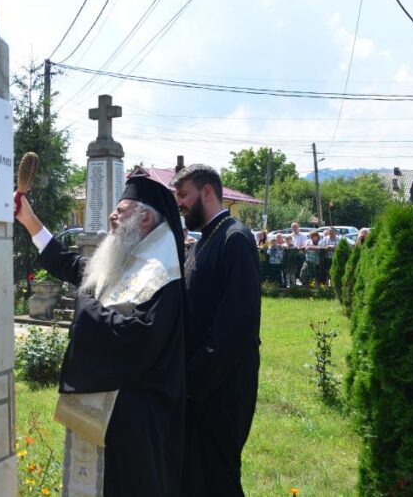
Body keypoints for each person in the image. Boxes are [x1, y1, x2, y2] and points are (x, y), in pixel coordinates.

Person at [14, 174, 186, 495]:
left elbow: (138, 339)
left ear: (145, 218)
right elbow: (74, 266)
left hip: (136, 421)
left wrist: (85, 306)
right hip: (112, 414)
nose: (112, 215)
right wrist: (28, 219)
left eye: (121, 210)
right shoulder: (128, 261)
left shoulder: (161, 274)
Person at [171, 164, 260, 497]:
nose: (179, 204)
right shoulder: (202, 241)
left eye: (183, 195)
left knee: (220, 478)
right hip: (200, 384)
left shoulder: (235, 238)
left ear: (206, 192)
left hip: (225, 386)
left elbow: (237, 324)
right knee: (198, 477)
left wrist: (192, 379)